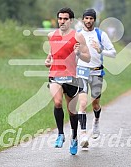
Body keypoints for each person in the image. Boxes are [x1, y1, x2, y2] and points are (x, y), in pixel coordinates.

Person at [45, 7, 90, 155]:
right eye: (60, 18)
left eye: (65, 19)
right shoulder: (51, 35)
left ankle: (74, 138)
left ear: (71, 21)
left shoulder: (78, 37)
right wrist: (48, 60)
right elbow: (51, 54)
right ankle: (60, 134)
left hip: (71, 77)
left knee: (72, 111)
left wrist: (78, 53)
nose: (62, 21)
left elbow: (87, 57)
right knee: (57, 102)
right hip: (55, 75)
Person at [77, 9, 116, 148]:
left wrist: (100, 50)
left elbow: (113, 53)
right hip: (81, 71)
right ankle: (82, 134)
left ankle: (96, 122)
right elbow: (71, 54)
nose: (88, 21)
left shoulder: (101, 34)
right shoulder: (78, 34)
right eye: (86, 18)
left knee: (95, 104)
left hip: (97, 72)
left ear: (94, 20)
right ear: (83, 19)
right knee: (82, 103)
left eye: (91, 19)